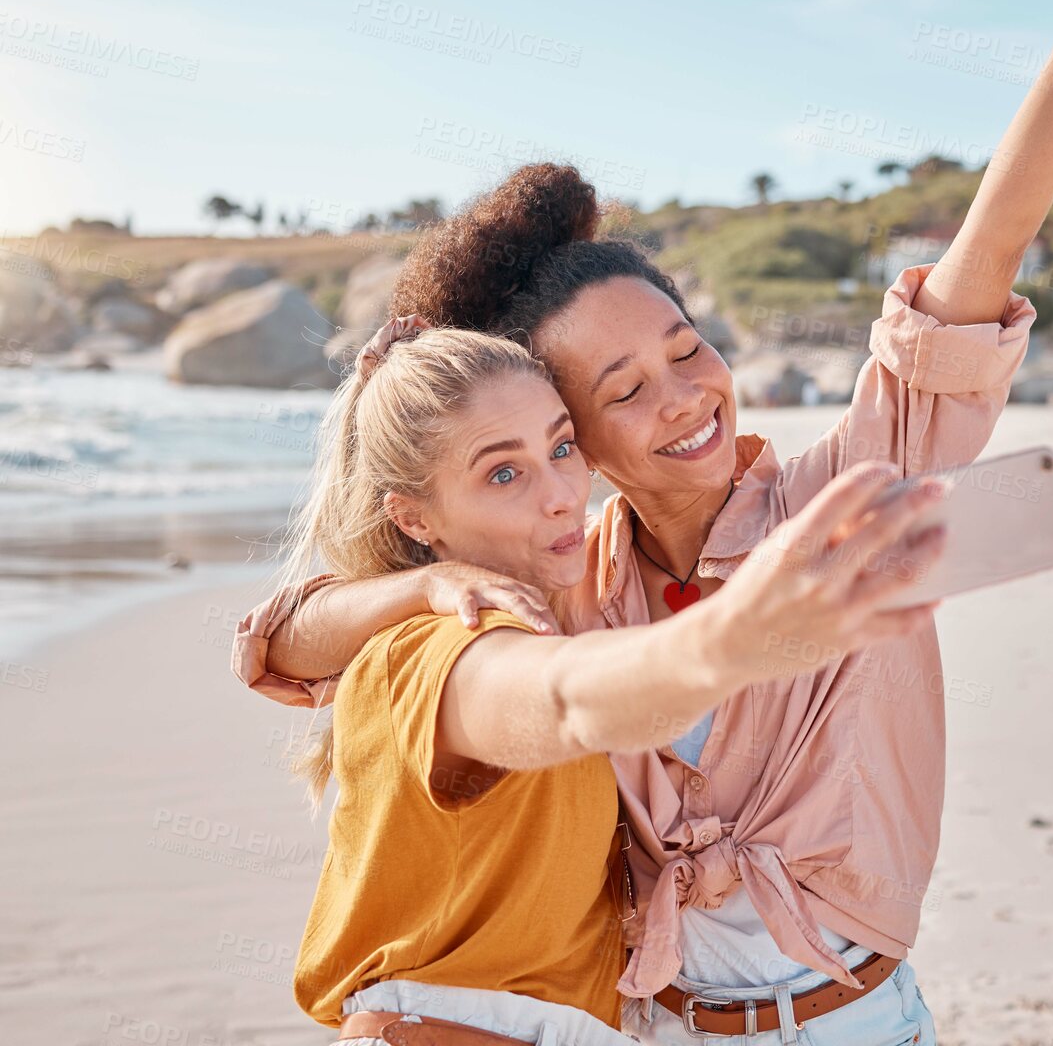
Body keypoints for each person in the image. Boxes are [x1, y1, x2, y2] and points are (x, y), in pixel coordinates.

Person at [234, 0, 1053, 1043]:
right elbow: (290, 647)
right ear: (571, 434)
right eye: (624, 390)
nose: (683, 396)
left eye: (685, 350)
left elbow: (989, 243)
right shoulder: (560, 580)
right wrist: (419, 598)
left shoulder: (851, 491)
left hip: (851, 1018)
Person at [276, 317, 946, 1045]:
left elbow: (285, 632)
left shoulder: (565, 605)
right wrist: (727, 642)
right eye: (504, 473)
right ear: (413, 516)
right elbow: (563, 700)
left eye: (563, 447)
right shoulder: (443, 649)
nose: (562, 493)